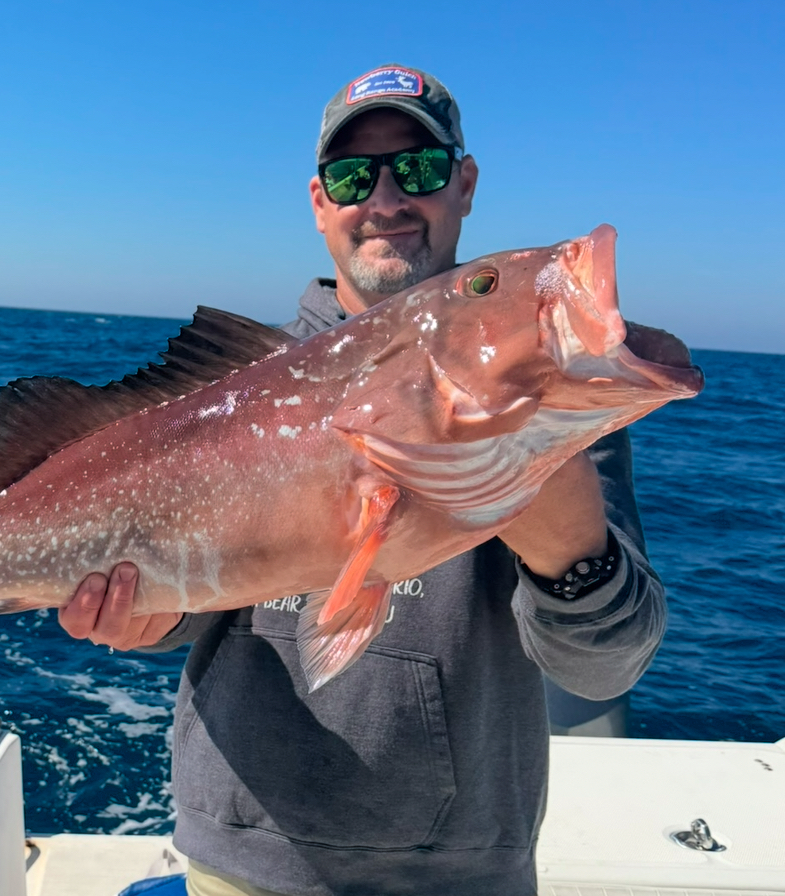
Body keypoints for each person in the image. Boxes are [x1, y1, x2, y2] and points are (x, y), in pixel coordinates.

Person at [58, 64, 666, 896]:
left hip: (464, 874)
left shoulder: (555, 399)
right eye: (353, 176)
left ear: (464, 184)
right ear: (319, 203)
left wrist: (567, 542)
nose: (385, 199)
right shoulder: (231, 388)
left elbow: (604, 672)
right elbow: (198, 600)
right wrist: (143, 619)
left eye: (416, 167)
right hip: (239, 862)